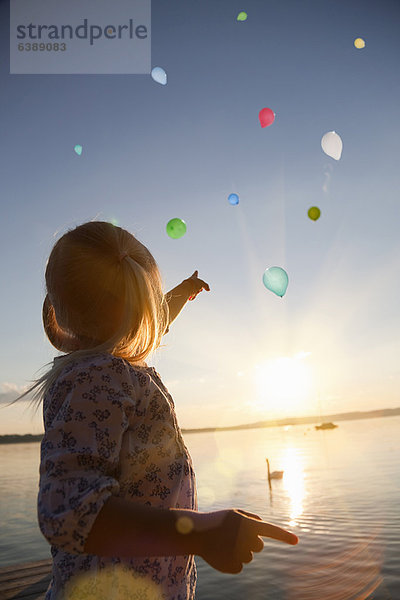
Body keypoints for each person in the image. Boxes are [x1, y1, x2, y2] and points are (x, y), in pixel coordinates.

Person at [11, 221, 298, 600]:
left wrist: (181, 294)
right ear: (141, 308)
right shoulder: (96, 381)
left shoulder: (106, 371)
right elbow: (70, 512)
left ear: (59, 313)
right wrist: (203, 532)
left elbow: (152, 325)